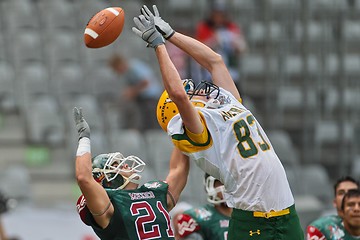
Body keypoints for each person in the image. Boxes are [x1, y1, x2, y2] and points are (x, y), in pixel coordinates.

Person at [132, 5, 304, 239]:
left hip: (287, 212)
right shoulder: (199, 128)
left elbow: (215, 61)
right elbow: (178, 94)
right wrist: (158, 45)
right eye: (189, 88)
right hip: (251, 219)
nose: (196, 87)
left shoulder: (227, 102)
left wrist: (171, 34)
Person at [73, 107, 190, 239]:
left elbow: (178, 170)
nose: (126, 164)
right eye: (116, 165)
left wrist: (182, 133)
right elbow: (84, 178)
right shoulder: (109, 203)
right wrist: (84, 138)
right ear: (107, 179)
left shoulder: (153, 191)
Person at [194, 0, 247, 89]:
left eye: (221, 14)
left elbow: (242, 48)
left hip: (230, 71)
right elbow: (197, 48)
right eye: (216, 14)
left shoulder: (231, 27)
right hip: (210, 72)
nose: (218, 17)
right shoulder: (204, 27)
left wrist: (235, 43)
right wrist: (214, 41)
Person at [108, 54, 163, 131]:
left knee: (152, 123)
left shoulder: (134, 67)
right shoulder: (126, 73)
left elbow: (146, 82)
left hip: (151, 98)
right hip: (142, 99)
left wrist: (133, 91)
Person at [176, 173, 231, 240]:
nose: (225, 187)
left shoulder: (245, 216)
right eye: (220, 183)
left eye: (229, 183)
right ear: (209, 186)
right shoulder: (198, 217)